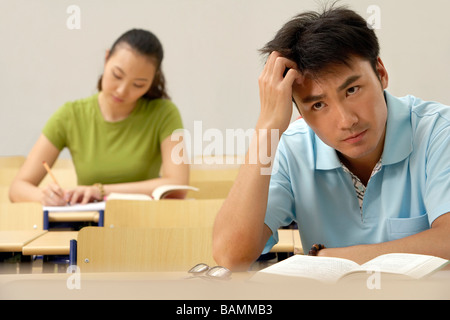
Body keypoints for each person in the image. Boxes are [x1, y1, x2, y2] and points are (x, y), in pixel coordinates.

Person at [213, 5, 450, 271]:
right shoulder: (294, 148)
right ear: (299, 111)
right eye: (317, 105)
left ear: (381, 73)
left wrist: (331, 258)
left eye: (352, 90)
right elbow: (231, 255)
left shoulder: (438, 132)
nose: (346, 121)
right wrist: (267, 127)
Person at [10, 29, 189, 206]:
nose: (122, 90)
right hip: (87, 227)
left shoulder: (166, 113)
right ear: (106, 58)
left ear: (152, 80)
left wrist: (100, 191)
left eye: (138, 84)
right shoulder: (70, 115)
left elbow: (178, 185)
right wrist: (44, 197)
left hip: (142, 225)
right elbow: (18, 188)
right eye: (117, 75)